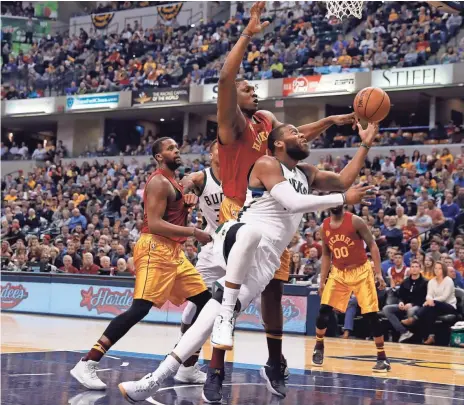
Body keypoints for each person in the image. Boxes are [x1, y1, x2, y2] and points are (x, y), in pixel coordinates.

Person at [118, 122, 376, 403]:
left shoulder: (306, 173)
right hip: (235, 237)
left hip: (266, 260)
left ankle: (154, 380)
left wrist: (365, 144)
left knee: (209, 319)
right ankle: (228, 312)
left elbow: (342, 181)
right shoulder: (267, 163)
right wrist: (342, 199)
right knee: (250, 236)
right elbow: (293, 202)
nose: (302, 135)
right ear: (277, 143)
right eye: (294, 132)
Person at [213, 1, 356, 395]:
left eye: (253, 87)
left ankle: (274, 360)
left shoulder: (266, 122)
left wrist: (329, 121)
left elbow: (293, 134)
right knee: (227, 297)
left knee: (273, 289)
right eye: (248, 88)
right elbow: (226, 79)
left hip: (272, 207)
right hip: (239, 212)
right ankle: (207, 364)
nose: (252, 90)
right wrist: (247, 33)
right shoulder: (233, 125)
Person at [70, 137, 212, 390]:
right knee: (140, 309)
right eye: (170, 148)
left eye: (177, 147)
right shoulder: (158, 181)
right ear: (159, 156)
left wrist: (186, 205)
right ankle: (87, 362)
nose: (176, 151)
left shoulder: (174, 184)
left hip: (173, 252)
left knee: (207, 302)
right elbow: (155, 223)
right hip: (154, 247)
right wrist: (193, 231)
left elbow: (174, 211)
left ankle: (189, 366)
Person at [313, 205, 389, 373]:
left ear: (343, 202)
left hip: (361, 271)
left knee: (371, 314)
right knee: (324, 310)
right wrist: (322, 281)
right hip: (339, 272)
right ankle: (319, 345)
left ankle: (382, 357)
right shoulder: (324, 226)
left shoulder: (355, 221)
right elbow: (326, 255)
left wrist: (378, 273)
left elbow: (372, 245)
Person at [172, 139, 224, 383]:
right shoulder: (202, 177)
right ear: (211, 153)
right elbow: (185, 182)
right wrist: (185, 193)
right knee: (195, 303)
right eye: (218, 149)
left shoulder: (245, 174)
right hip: (212, 247)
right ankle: (186, 363)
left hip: (237, 248)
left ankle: (191, 362)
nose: (223, 152)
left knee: (222, 310)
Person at [401, 261, 457, 345]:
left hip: (448, 306)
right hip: (434, 306)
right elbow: (429, 295)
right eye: (435, 268)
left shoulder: (448, 281)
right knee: (430, 311)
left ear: (444, 270)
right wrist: (429, 300)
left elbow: (444, 297)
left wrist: (431, 301)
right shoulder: (431, 281)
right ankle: (431, 336)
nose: (437, 270)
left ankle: (414, 319)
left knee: (431, 306)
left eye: (439, 268)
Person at [383, 260, 428, 343]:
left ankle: (414, 336)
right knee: (387, 309)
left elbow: (424, 298)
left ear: (420, 269)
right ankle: (404, 332)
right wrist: (401, 302)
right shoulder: (405, 281)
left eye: (416, 267)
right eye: (412, 267)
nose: (414, 269)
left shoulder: (425, 282)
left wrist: (411, 304)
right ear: (410, 269)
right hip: (404, 305)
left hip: (418, 306)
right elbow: (400, 295)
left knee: (411, 310)